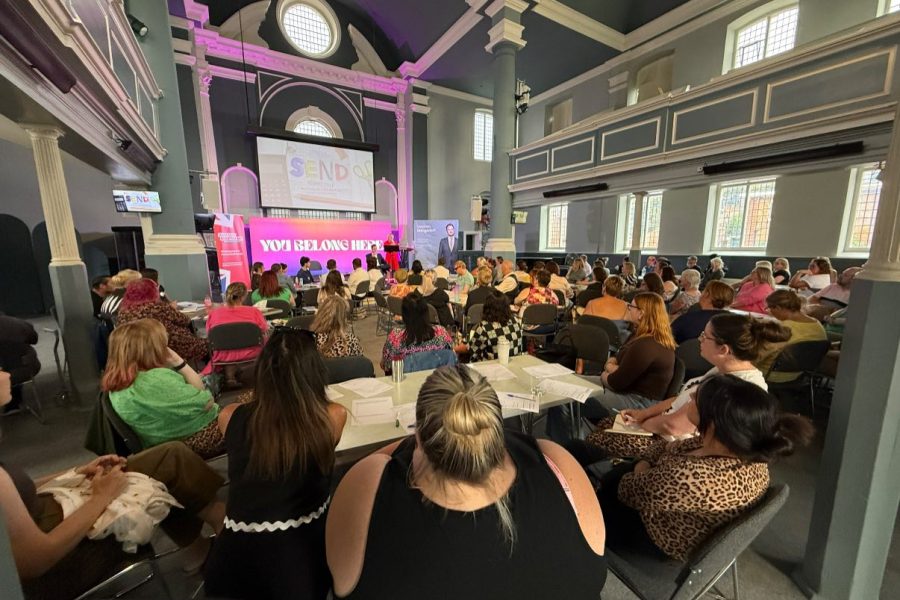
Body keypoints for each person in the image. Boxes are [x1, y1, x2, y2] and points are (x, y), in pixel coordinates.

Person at [325, 365, 607, 599]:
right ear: (495, 432)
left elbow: (376, 461)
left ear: (419, 437)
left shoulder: (365, 486)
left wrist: (423, 439)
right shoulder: (556, 461)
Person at [2, 365, 225, 598]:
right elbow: (37, 560)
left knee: (169, 457)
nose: (6, 373)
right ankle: (228, 534)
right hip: (61, 556)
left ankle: (202, 547)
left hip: (51, 507)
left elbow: (18, 487)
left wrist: (76, 471)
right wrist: (101, 497)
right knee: (163, 474)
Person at [600, 375, 813, 561]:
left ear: (712, 423)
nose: (691, 397)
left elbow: (627, 490)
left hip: (652, 538)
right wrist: (647, 467)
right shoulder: (738, 450)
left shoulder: (693, 477)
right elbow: (662, 448)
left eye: (696, 399)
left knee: (606, 481)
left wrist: (643, 466)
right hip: (662, 506)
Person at [205, 328, 347, 600]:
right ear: (315, 373)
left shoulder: (229, 415)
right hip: (297, 565)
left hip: (231, 564)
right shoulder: (332, 417)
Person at [598, 313, 789, 449]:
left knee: (598, 439)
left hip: (674, 445)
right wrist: (643, 413)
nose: (699, 339)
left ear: (723, 349)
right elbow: (681, 398)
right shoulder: (723, 369)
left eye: (705, 336)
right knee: (604, 427)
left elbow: (675, 426)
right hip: (664, 429)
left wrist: (643, 424)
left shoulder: (737, 388)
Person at [103, 319, 238, 458]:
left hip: (165, 446)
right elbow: (207, 402)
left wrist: (178, 363)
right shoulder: (156, 379)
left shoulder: (117, 385)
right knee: (252, 408)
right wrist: (179, 362)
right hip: (198, 438)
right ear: (152, 349)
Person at [578, 293, 676, 416]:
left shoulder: (647, 345)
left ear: (641, 313)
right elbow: (616, 358)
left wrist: (605, 373)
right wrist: (613, 368)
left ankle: (572, 427)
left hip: (637, 401)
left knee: (572, 396)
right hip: (625, 389)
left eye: (631, 306)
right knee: (570, 383)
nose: (628, 308)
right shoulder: (639, 334)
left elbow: (615, 383)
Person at [116, 279, 209, 363]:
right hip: (171, 346)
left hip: (140, 351)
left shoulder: (123, 313)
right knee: (209, 343)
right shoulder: (159, 307)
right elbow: (185, 320)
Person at [757, 290, 828, 382]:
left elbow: (759, 355)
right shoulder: (817, 324)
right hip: (799, 374)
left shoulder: (783, 328)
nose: (769, 312)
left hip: (770, 375)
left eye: (769, 308)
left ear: (778, 308)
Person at [203, 283, 268, 381]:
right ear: (243, 297)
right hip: (251, 351)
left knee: (230, 346)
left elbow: (210, 334)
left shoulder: (214, 314)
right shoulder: (254, 312)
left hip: (223, 354)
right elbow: (264, 329)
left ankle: (230, 375)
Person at [380, 293, 453, 375]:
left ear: (404, 316)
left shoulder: (395, 338)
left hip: (406, 382)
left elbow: (385, 365)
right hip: (436, 380)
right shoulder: (441, 333)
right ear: (427, 312)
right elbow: (450, 356)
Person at [459, 290, 524, 362]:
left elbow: (471, 349)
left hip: (492, 366)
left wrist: (454, 349)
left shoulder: (485, 328)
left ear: (487, 308)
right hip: (514, 364)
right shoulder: (516, 321)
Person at [513, 270, 559, 334]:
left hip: (529, 326)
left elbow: (515, 301)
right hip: (548, 325)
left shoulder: (528, 291)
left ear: (537, 280)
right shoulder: (553, 294)